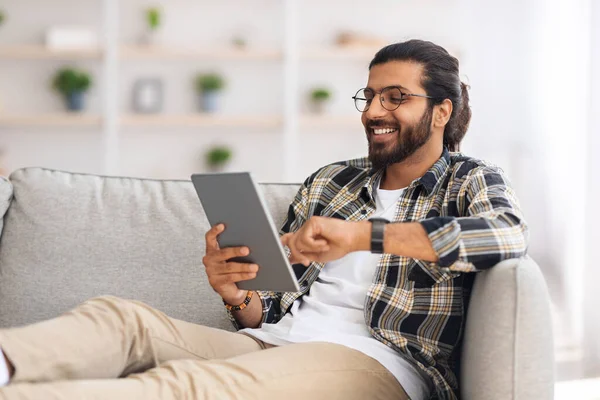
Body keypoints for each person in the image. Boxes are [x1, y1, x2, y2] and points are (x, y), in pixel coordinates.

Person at [0, 39, 528, 400]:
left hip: (383, 363)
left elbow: (505, 237)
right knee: (122, 320)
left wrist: (362, 236)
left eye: (397, 97)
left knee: (189, 384)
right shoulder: (331, 182)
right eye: (369, 96)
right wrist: (236, 294)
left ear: (441, 111)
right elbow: (270, 309)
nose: (373, 111)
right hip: (277, 341)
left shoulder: (467, 180)